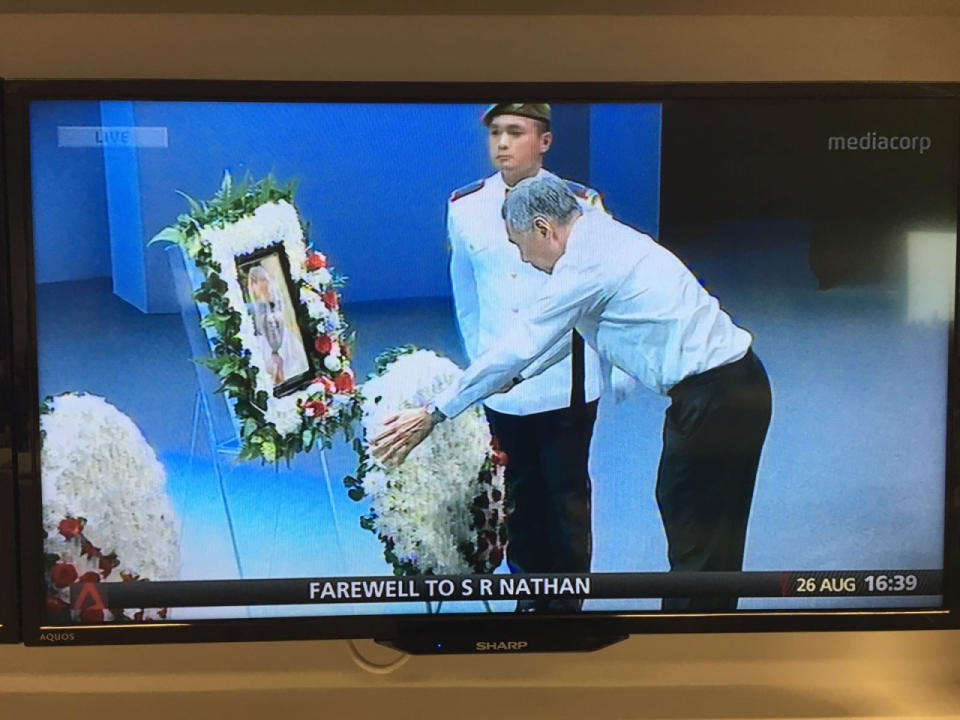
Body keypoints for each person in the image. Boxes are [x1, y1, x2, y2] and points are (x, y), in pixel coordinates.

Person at [374, 175, 772, 611]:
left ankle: (691, 646)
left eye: (520, 245)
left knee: (696, 526)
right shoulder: (597, 236)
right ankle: (704, 635)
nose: (524, 260)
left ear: (544, 228)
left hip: (716, 398)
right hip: (730, 390)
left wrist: (434, 413)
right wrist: (519, 378)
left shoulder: (585, 264)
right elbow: (567, 334)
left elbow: (525, 338)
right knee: (700, 520)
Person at [445, 103, 614, 612]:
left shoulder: (581, 203)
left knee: (564, 498)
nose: (501, 143)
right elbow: (466, 297)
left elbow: (598, 295)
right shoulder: (465, 207)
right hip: (502, 384)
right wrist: (483, 368)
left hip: (566, 378)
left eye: (515, 132)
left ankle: (566, 605)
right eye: (495, 132)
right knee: (514, 495)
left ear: (544, 142)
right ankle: (526, 594)